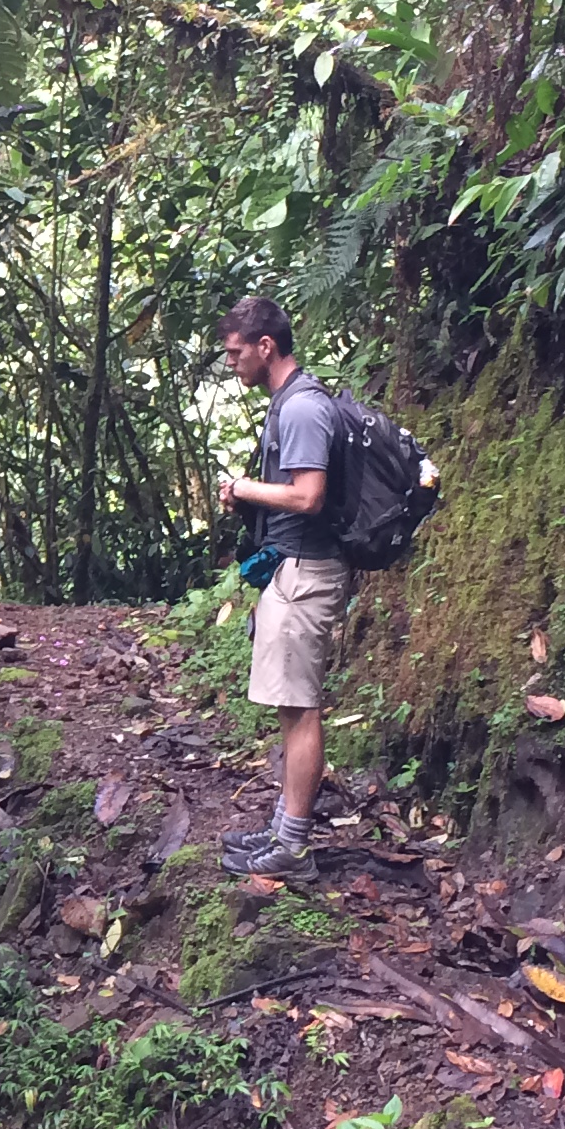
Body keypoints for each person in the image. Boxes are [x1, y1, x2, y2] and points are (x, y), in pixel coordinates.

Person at [214, 296, 342, 880]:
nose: (231, 363)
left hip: (305, 574)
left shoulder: (303, 408)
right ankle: (280, 829)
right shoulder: (288, 403)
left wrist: (245, 488)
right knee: (292, 709)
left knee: (301, 710)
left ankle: (292, 847)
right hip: (292, 570)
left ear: (265, 346)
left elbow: (309, 496)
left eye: (235, 352)